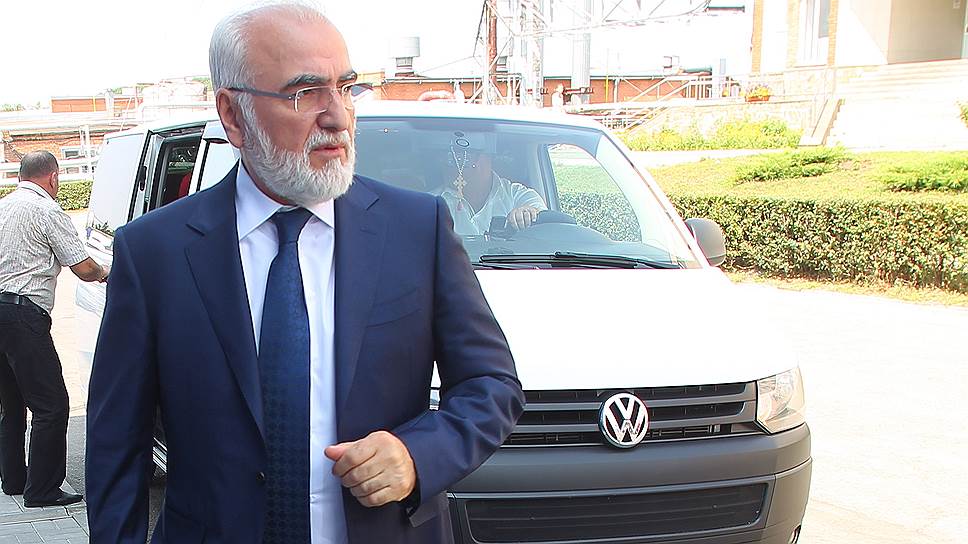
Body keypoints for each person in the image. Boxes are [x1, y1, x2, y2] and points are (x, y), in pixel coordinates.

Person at [85, 3, 524, 544]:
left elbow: (491, 385)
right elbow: (116, 445)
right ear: (233, 115)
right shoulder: (155, 252)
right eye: (305, 92)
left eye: (347, 87)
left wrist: (417, 454)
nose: (337, 116)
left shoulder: (417, 229)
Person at [0, 151, 108, 508]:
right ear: (53, 177)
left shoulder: (4, 206)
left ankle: (14, 480)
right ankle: (43, 490)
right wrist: (109, 272)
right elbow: (83, 267)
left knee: (11, 403)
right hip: (24, 314)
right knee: (52, 405)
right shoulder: (47, 210)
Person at [435, 132, 547, 235]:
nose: (454, 164)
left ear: (488, 157)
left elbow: (545, 221)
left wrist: (528, 214)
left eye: (465, 157)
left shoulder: (517, 195)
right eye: (450, 158)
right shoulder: (431, 203)